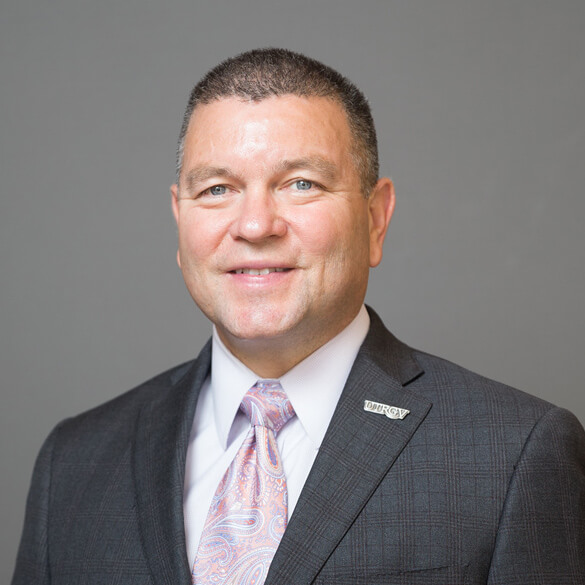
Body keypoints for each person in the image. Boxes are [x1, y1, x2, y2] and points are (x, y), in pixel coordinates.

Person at [12, 48, 585, 585]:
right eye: (217, 189)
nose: (255, 225)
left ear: (376, 218)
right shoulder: (74, 461)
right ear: (179, 218)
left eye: (301, 184)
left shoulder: (513, 455)